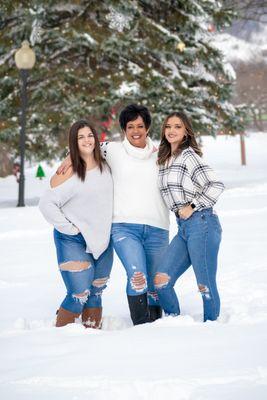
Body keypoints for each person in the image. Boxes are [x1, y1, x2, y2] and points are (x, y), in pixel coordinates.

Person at [57, 105, 170, 325]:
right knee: (138, 278)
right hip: (124, 227)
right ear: (124, 129)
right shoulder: (113, 150)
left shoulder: (161, 155)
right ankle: (141, 326)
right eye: (130, 126)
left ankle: (157, 328)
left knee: (155, 284)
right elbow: (85, 146)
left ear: (147, 128)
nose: (135, 130)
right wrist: (70, 156)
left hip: (158, 227)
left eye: (140, 125)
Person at [39, 120, 113, 328]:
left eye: (90, 135)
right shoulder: (69, 172)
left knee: (96, 290)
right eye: (80, 137)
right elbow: (46, 204)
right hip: (73, 239)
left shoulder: (107, 164)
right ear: (74, 142)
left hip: (102, 238)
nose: (87, 140)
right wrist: (70, 229)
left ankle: (91, 340)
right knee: (79, 293)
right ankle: (62, 338)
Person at [155, 111, 224, 322]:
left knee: (205, 284)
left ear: (186, 132)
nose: (172, 130)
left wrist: (192, 205)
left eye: (177, 126)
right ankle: (174, 323)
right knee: (161, 281)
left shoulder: (189, 156)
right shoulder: (164, 159)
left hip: (202, 223)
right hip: (183, 228)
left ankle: (211, 328)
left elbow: (216, 185)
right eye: (168, 126)